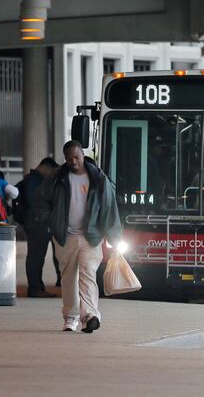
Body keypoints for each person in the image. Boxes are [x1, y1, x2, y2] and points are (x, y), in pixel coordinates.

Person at [33, 140, 123, 333]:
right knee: (68, 278)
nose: (74, 161)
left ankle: (90, 315)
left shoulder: (99, 178)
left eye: (76, 157)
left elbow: (109, 208)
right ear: (64, 159)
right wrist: (52, 221)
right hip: (65, 237)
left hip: (91, 237)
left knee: (88, 275)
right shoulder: (56, 177)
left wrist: (114, 237)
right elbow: (40, 201)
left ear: (83, 154)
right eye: (69, 158)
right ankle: (71, 317)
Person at [17, 157, 60, 297]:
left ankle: (37, 286)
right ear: (46, 167)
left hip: (34, 221)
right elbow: (35, 201)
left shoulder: (30, 179)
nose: (52, 175)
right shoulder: (34, 180)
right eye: (52, 171)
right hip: (36, 222)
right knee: (36, 256)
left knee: (36, 255)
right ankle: (35, 288)